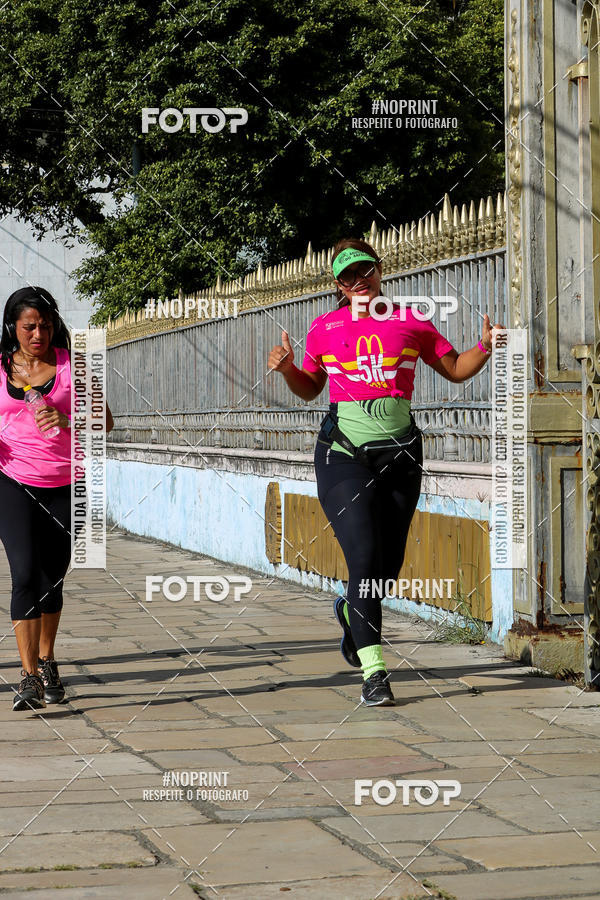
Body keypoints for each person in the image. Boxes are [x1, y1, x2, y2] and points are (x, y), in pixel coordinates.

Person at [268, 238, 502, 706]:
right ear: (338, 285)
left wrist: (486, 345)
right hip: (343, 455)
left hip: (401, 456)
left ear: (380, 270)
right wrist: (289, 369)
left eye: (365, 270)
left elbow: (456, 368)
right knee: (363, 556)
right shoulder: (324, 328)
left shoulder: (411, 320)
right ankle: (374, 673)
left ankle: (349, 609)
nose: (359, 281)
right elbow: (311, 388)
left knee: (386, 569)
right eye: (348, 276)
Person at [0, 287, 114, 711]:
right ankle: (28, 676)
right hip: (12, 482)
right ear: (12, 327)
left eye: (45, 326)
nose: (38, 334)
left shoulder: (74, 366)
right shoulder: (0, 368)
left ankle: (48, 659)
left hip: (68, 483)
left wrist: (67, 418)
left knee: (52, 578)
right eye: (29, 326)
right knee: (24, 573)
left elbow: (105, 422)